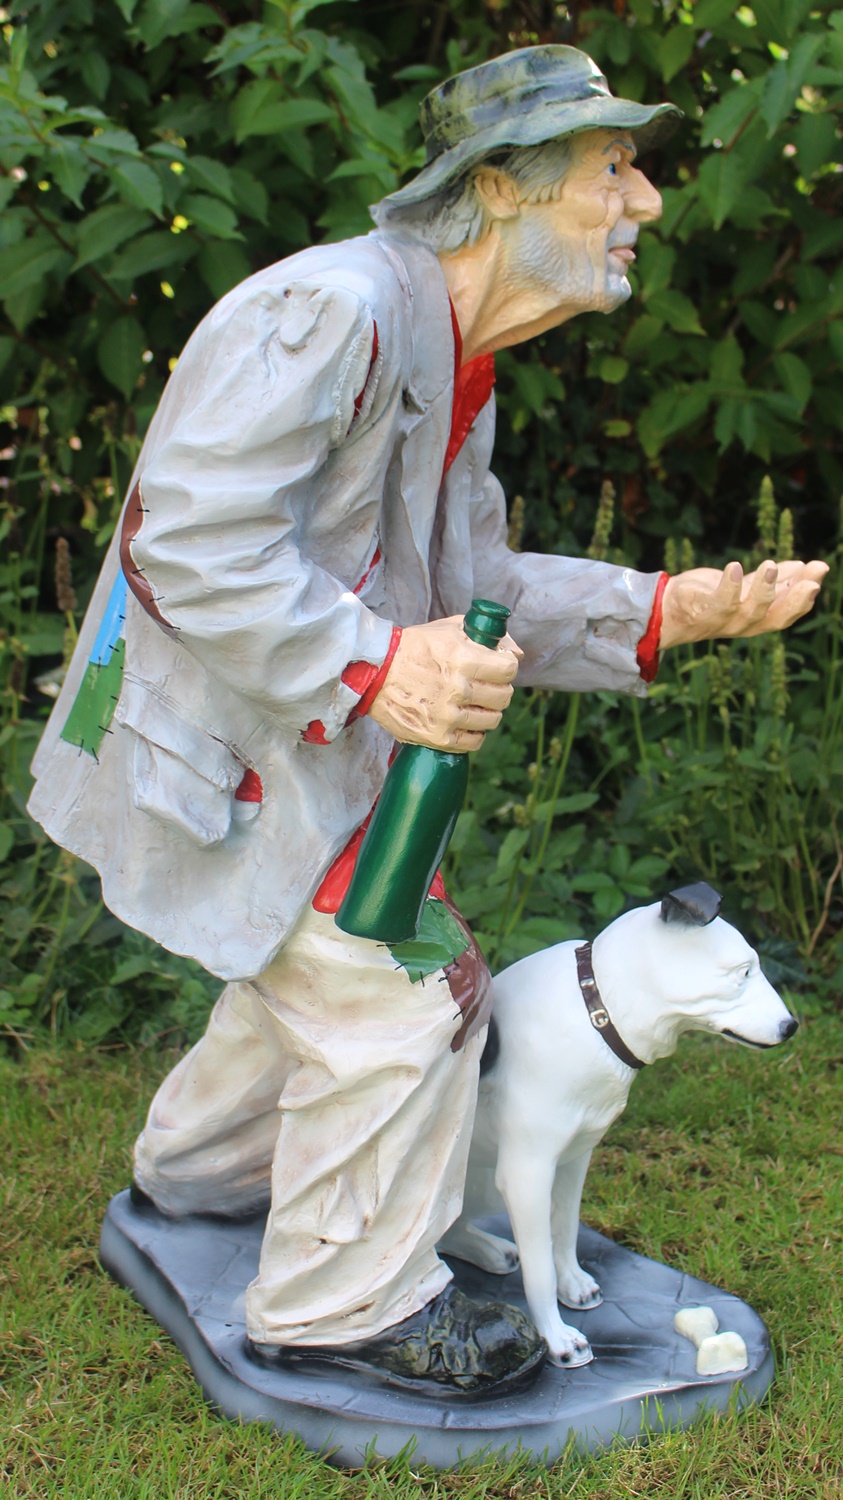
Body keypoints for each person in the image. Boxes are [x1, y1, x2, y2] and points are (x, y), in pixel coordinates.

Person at [27, 46, 826, 1396]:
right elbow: (192, 540)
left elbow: (480, 590)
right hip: (231, 750)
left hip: (302, 753)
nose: (648, 202)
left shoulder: (456, 364)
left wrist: (665, 609)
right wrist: (375, 664)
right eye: (613, 170)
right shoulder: (334, 315)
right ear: (503, 189)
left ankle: (199, 1175)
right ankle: (339, 1308)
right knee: (409, 996)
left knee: (320, 968)